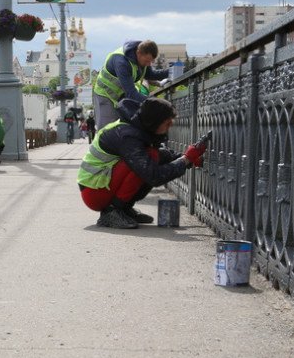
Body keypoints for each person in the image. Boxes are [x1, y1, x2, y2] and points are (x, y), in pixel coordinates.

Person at [77, 97, 206, 229]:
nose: (169, 127)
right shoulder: (127, 135)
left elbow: (163, 155)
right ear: (154, 122)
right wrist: (185, 160)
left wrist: (189, 158)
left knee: (153, 156)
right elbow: (153, 176)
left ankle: (124, 209)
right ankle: (112, 211)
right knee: (147, 161)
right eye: (167, 123)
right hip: (94, 192)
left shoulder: (136, 127)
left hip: (100, 185)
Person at [92, 40, 171, 129]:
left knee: (123, 129)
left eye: (151, 61)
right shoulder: (121, 62)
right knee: (107, 130)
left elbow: (150, 74)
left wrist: (171, 71)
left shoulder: (142, 56)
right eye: (147, 61)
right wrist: (157, 103)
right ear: (138, 53)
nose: (148, 64)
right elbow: (131, 94)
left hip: (119, 96)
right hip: (105, 95)